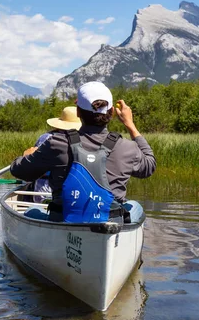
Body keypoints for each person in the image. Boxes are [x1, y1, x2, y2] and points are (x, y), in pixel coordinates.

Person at [10, 81, 156, 223]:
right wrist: (130, 125)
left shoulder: (57, 143)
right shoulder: (128, 147)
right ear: (112, 112)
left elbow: (19, 171)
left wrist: (26, 157)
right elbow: (149, 166)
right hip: (110, 223)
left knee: (32, 211)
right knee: (135, 206)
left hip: (63, 221)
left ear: (78, 111)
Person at [31, 106, 81, 203]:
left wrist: (26, 157)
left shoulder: (45, 138)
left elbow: (31, 169)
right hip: (75, 195)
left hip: (44, 193)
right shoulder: (84, 140)